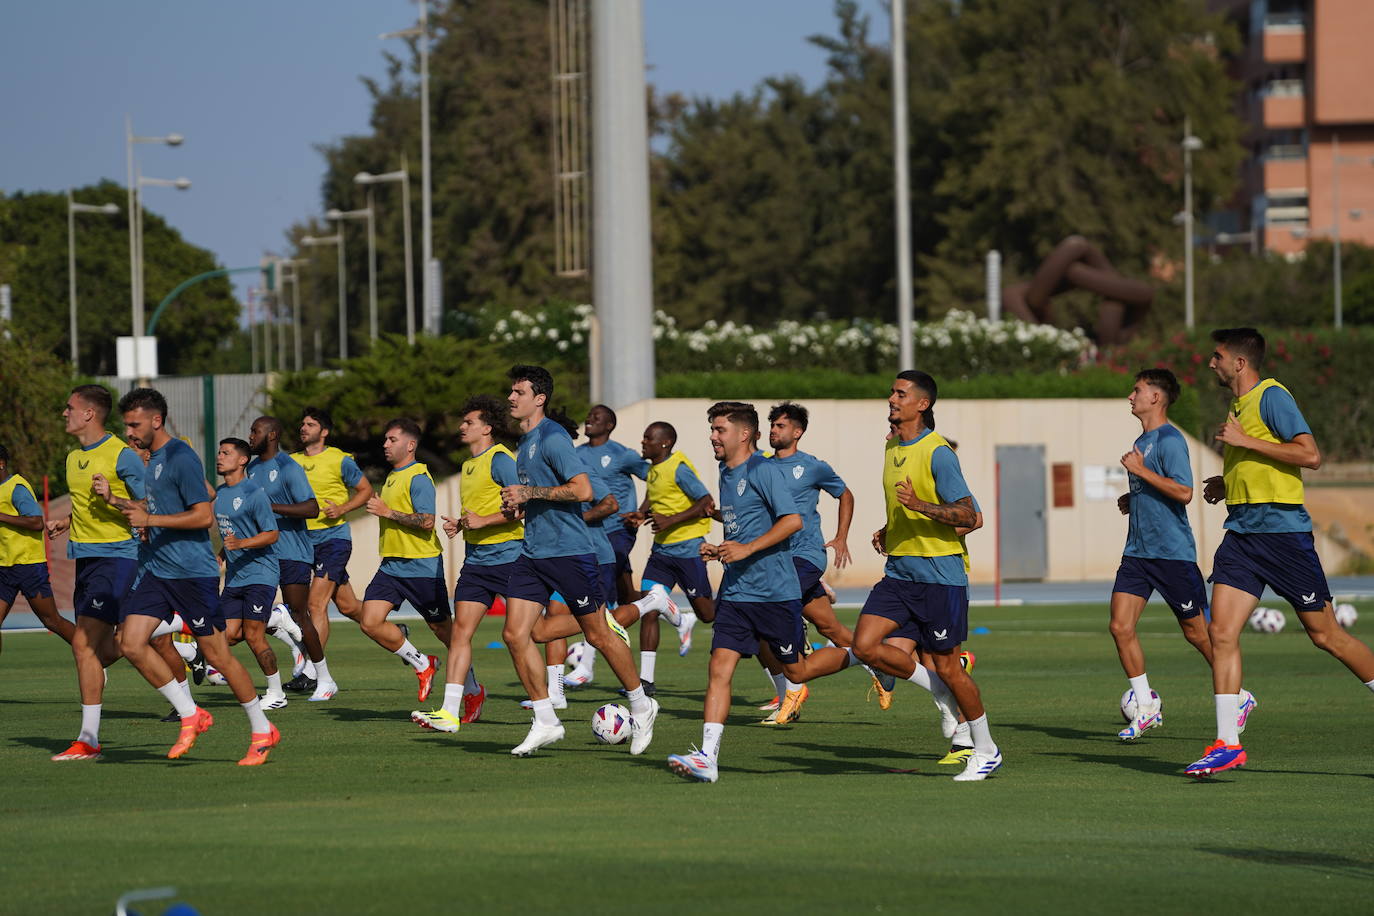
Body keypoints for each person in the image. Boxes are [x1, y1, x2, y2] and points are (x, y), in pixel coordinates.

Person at [1186, 328, 1374, 777]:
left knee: (1326, 635)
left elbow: (1310, 455)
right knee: (1222, 634)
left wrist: (1245, 442)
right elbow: (1261, 464)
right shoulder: (1236, 406)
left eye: (1217, 356)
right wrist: (1227, 483)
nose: (1210, 363)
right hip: (1242, 536)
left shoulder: (1272, 395)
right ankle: (1227, 744)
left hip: (1284, 537)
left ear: (1240, 363)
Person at [102, 388, 279, 765]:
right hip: (157, 571)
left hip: (191, 574)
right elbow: (157, 509)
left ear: (156, 420)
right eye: (126, 425)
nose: (129, 432)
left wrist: (150, 520)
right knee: (131, 643)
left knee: (219, 655)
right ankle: (190, 713)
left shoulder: (181, 458)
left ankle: (263, 729)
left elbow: (202, 516)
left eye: (134, 424)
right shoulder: (152, 461)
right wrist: (126, 508)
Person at [668, 401, 838, 783]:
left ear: (744, 434)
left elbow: (792, 520)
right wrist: (720, 548)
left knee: (799, 670)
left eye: (719, 430)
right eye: (712, 429)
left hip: (775, 593)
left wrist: (747, 549)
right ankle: (707, 758)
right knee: (719, 669)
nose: (713, 436)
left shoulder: (763, 469)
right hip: (738, 593)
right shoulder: (724, 471)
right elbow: (741, 528)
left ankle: (860, 656)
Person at [848, 373, 1001, 781]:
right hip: (899, 572)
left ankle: (986, 749)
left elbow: (968, 515)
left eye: (901, 394)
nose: (892, 398)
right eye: (892, 392)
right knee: (864, 646)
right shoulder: (892, 447)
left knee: (953, 668)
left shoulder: (939, 453)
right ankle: (938, 690)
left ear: (922, 404)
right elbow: (902, 510)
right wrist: (890, 529)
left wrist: (920, 505)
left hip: (940, 576)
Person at [499, 364, 658, 757]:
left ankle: (641, 704)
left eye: (519, 392)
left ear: (540, 398)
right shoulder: (525, 441)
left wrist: (529, 493)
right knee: (519, 634)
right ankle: (546, 720)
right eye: (511, 391)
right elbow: (540, 494)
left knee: (598, 634)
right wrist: (520, 504)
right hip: (534, 552)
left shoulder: (552, 437)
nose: (511, 398)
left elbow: (583, 489)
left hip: (570, 552)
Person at [1110, 369, 1255, 742]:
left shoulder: (1171, 440)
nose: (1131, 396)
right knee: (1120, 627)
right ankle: (1145, 706)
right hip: (1137, 553)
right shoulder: (1142, 439)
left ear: (1156, 397)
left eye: (1137, 390)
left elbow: (1185, 492)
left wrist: (1141, 472)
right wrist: (1135, 497)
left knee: (1198, 634)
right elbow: (1161, 489)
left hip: (1172, 556)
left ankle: (1238, 697)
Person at [414, 395, 519, 732]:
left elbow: (521, 507)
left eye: (469, 422)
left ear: (487, 428)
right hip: (476, 564)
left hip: (509, 558)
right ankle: (449, 711)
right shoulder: (468, 465)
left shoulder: (501, 458)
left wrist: (483, 522)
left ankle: (599, 619)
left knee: (534, 633)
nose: (462, 427)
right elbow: (481, 512)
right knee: (460, 632)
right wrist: (461, 524)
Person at [761, 402, 857, 724]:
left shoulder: (813, 467)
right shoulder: (760, 466)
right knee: (830, 627)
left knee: (770, 610)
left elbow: (845, 494)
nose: (774, 430)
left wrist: (841, 536)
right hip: (775, 560)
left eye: (781, 426)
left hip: (806, 555)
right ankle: (879, 661)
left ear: (797, 432)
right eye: (772, 425)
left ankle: (795, 687)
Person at [603, 421, 713, 691]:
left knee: (708, 614)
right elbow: (654, 498)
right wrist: (641, 514)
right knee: (650, 607)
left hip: (687, 550)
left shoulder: (679, 468)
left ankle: (738, 611)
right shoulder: (654, 469)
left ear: (665, 443)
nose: (643, 442)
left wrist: (672, 520)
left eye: (648, 438)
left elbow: (706, 502)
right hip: (662, 552)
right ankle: (647, 680)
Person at [358, 419, 445, 708]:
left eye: (392, 439)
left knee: (447, 634)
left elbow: (427, 521)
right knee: (369, 622)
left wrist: (387, 511)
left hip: (422, 565)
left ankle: (470, 689)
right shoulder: (393, 476)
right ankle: (422, 663)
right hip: (392, 566)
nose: (385, 444)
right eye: (385, 439)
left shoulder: (419, 477)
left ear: (410, 445)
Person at [246, 416, 335, 700]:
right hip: (261, 553)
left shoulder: (288, 467)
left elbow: (312, 508)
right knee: (251, 615)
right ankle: (275, 684)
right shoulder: (250, 469)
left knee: (299, 614)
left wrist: (269, 506)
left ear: (272, 435)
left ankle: (324, 678)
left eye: (255, 431)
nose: (250, 436)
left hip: (291, 552)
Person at [293, 406, 372, 691]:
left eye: (311, 424)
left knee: (315, 605)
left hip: (333, 539)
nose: (304, 428)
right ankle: (390, 630)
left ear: (324, 432)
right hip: (302, 543)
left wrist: (342, 508)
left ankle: (313, 672)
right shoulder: (290, 461)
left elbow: (366, 491)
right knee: (349, 606)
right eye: (302, 423)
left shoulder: (340, 459)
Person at [214, 438, 286, 708]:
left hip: (261, 574)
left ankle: (276, 693)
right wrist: (222, 553)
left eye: (226, 453)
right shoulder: (220, 494)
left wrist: (241, 544)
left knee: (254, 635)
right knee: (228, 635)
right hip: (235, 577)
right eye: (219, 452)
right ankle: (277, 619)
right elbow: (234, 531)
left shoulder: (254, 493)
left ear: (243, 460)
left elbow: (272, 534)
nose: (220, 457)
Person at [577, 405, 650, 607]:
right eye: (589, 414)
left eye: (596, 416)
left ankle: (602, 626)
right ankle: (658, 603)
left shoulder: (623, 454)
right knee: (626, 595)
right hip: (588, 530)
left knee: (603, 576)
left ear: (609, 425)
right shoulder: (576, 454)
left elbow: (658, 479)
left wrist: (642, 512)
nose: (589, 418)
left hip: (618, 529)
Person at [0, 444, 65, 656]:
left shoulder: (16, 487)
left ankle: (95, 656)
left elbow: (37, 522)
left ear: (1, 464)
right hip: (4, 568)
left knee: (51, 621)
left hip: (28, 566)